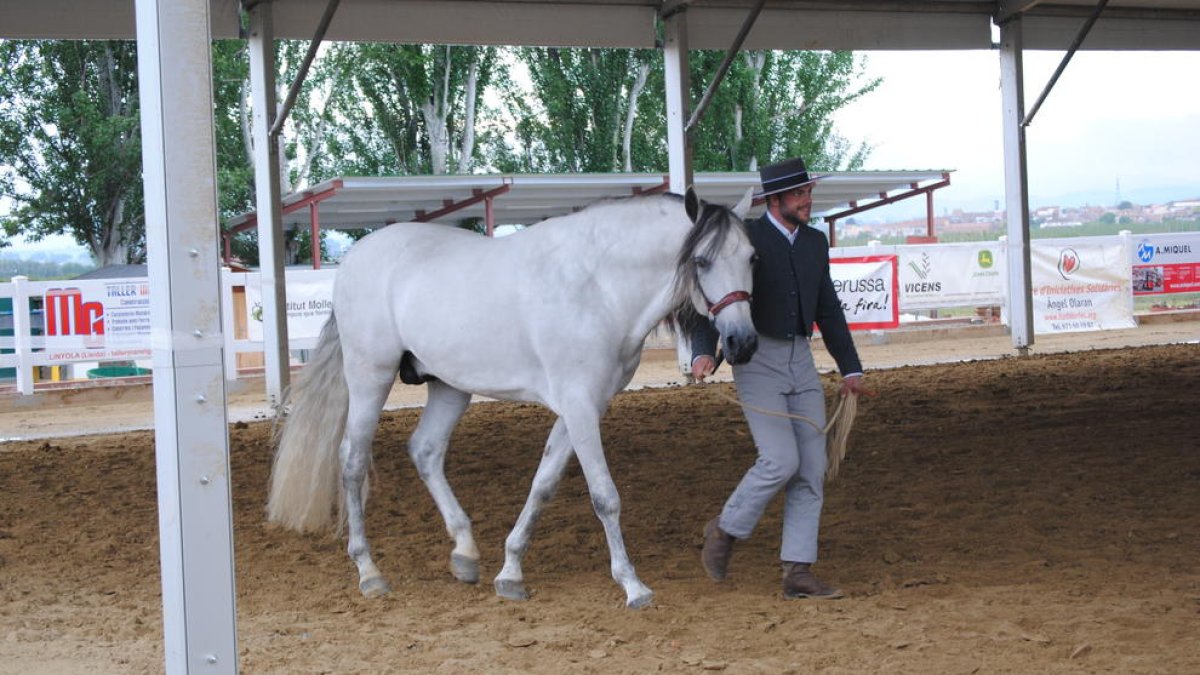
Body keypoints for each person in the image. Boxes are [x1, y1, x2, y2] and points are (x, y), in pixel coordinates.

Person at [690, 156, 870, 600]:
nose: (807, 199)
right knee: (780, 460)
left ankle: (798, 572)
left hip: (801, 361)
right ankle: (726, 528)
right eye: (799, 194)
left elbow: (827, 306)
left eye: (808, 191)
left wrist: (850, 366)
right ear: (774, 199)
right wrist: (702, 352)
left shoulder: (814, 243)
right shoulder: (743, 238)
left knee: (811, 468)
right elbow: (712, 294)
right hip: (757, 360)